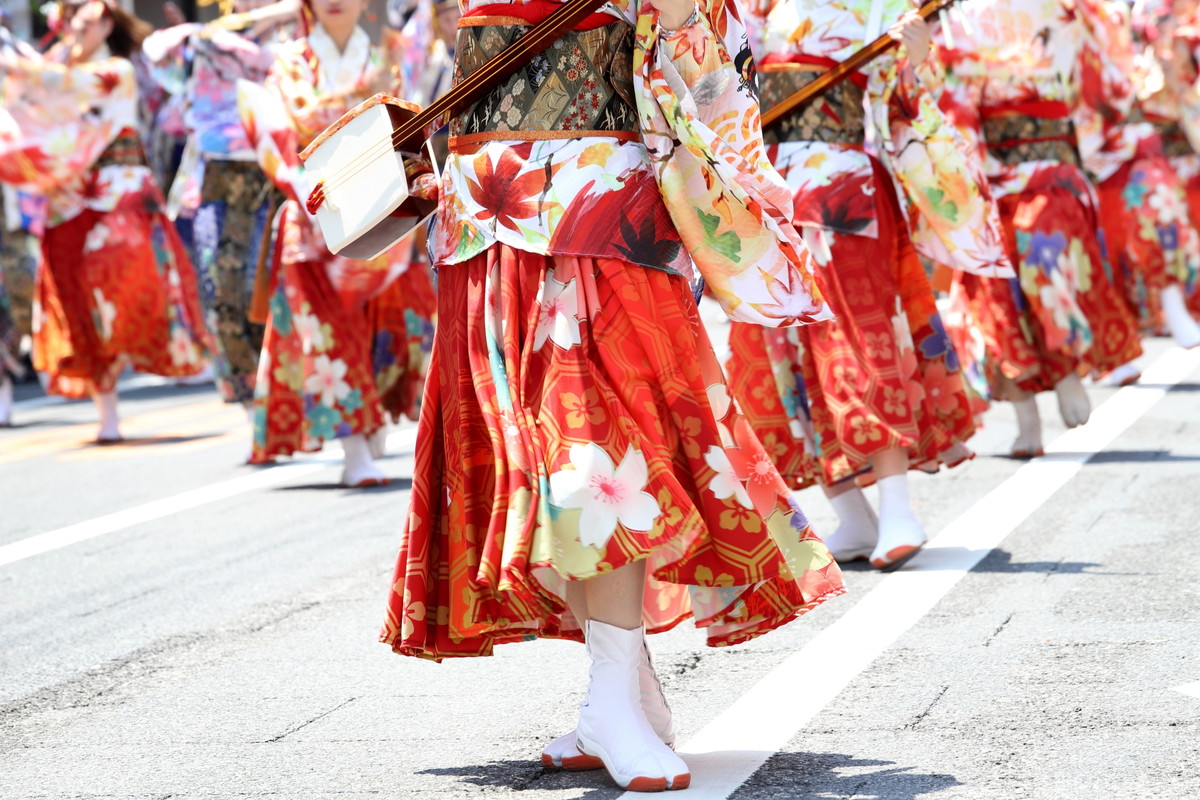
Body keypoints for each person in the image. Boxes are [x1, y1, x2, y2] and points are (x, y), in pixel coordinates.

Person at [377, 0, 846, 790]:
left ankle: (615, 697)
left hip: (596, 197)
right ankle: (622, 693)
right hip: (492, 197)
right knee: (553, 460)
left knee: (601, 451)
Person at [724, 0, 1010, 569]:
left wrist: (916, 56)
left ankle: (898, 507)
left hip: (842, 189)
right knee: (778, 353)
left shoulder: (879, 8)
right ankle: (852, 513)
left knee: (859, 343)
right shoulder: (752, 9)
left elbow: (900, 108)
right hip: (765, 198)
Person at [237, 0, 436, 485]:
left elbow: (416, 119)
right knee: (328, 333)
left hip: (383, 207)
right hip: (315, 209)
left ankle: (369, 424)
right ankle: (354, 449)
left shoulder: (393, 51)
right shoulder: (286, 63)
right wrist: (295, 181)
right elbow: (272, 137)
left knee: (379, 328)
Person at [937, 0, 1145, 459]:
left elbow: (1102, 75)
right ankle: (1026, 416)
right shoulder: (957, 18)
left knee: (1042, 247)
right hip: (989, 171)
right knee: (990, 288)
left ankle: (1068, 368)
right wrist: (967, 184)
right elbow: (954, 104)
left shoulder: (1063, 9)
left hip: (1052, 165)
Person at [0, 0, 210, 442]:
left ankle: (142, 372)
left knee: (125, 288)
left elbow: (55, 85)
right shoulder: (55, 65)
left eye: (88, 18)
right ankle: (106, 407)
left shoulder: (116, 70)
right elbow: (33, 100)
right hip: (67, 196)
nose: (78, 26)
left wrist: (11, 63)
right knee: (74, 300)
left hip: (117, 195)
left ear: (107, 23)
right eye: (72, 18)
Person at [143, 0, 297, 435]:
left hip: (282, 174)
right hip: (218, 174)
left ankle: (289, 397)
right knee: (220, 289)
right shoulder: (205, 41)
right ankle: (252, 402)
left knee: (273, 288)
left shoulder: (295, 41)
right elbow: (157, 52)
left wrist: (277, 21)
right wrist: (234, 30)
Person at [1081, 0, 1200, 363]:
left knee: (1161, 208)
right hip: (1091, 134)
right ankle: (1115, 348)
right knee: (1106, 244)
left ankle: (1171, 300)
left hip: (1151, 137)